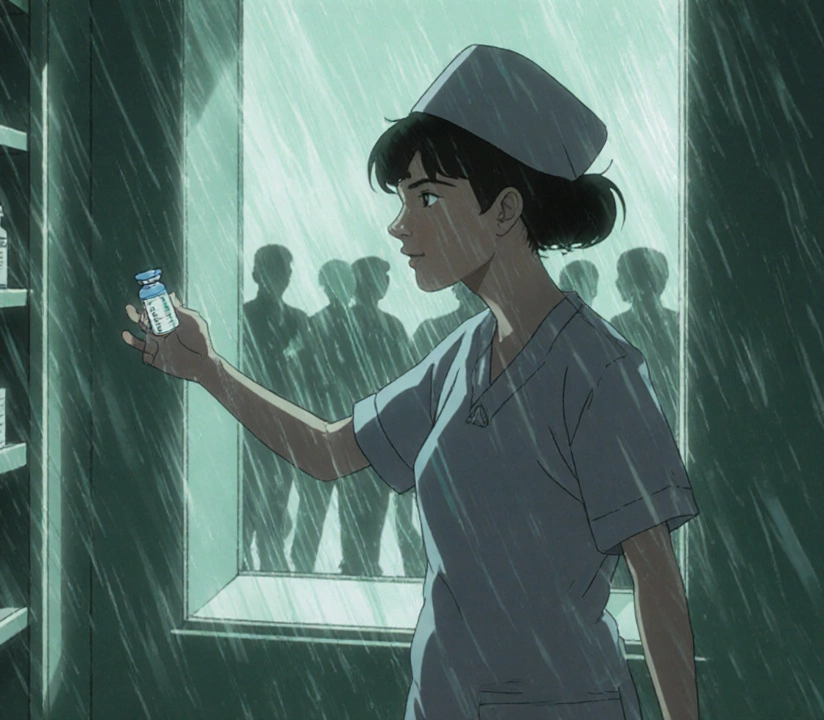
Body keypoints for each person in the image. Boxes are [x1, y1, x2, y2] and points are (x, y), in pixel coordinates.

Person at [121, 44, 699, 720]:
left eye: (427, 196)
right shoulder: (461, 356)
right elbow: (332, 452)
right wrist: (207, 370)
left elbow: (656, 581)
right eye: (401, 199)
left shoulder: (600, 373)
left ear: (505, 209)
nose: (399, 226)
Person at [341, 257, 418, 577]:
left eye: (383, 279)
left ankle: (362, 564)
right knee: (362, 504)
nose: (381, 285)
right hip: (361, 426)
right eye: (375, 278)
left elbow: (405, 375)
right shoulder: (351, 323)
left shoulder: (391, 325)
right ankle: (358, 564)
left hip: (372, 428)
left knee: (370, 504)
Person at [238, 244, 310, 572]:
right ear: (256, 274)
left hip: (284, 427)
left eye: (285, 270)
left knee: (278, 504)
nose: (283, 277)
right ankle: (247, 566)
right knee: (246, 505)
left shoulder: (299, 319)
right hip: (250, 425)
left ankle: (270, 567)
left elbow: (309, 374)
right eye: (275, 269)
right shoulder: (241, 315)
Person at [289, 259, 361, 573]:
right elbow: (297, 373)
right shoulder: (313, 326)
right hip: (327, 427)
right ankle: (305, 561)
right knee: (319, 504)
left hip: (344, 427)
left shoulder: (325, 325)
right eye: (336, 282)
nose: (342, 289)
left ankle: (348, 562)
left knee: (346, 505)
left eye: (345, 282)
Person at [610, 247, 680, 433]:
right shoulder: (676, 323)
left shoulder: (619, 325)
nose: (616, 282)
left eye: (621, 274)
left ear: (636, 279)